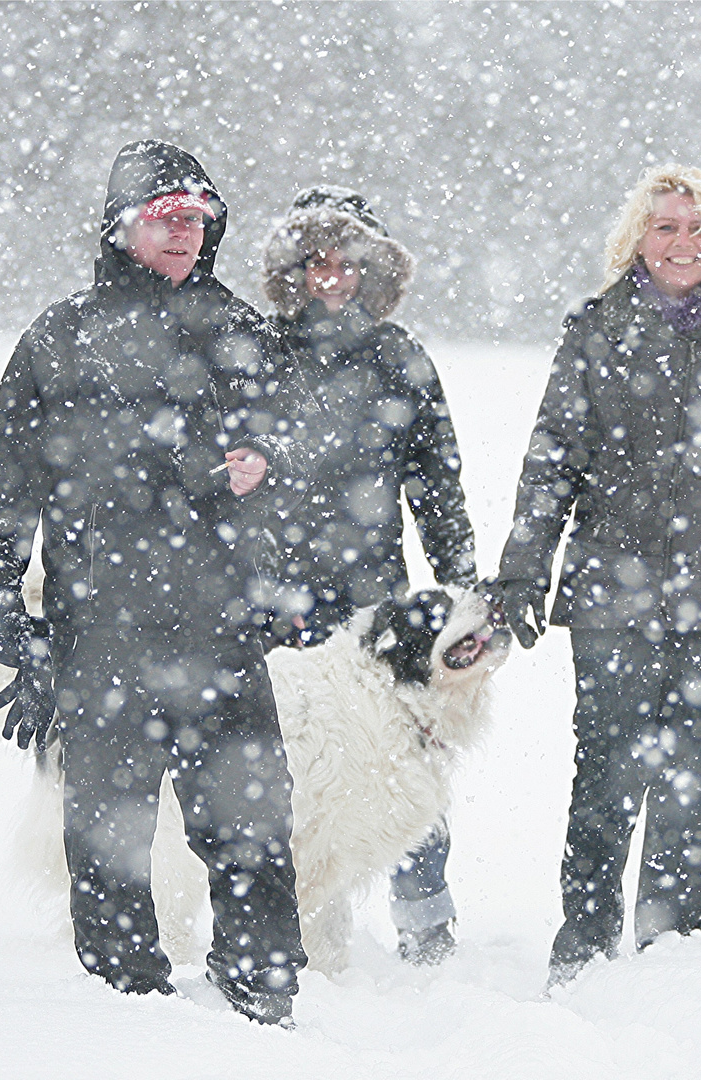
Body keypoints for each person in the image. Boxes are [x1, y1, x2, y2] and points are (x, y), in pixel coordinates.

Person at [0, 140, 318, 1026]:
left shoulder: (240, 332)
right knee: (109, 848)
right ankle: (129, 1024)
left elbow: (290, 461)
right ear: (122, 226)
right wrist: (7, 622)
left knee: (254, 834)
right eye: (166, 216)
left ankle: (266, 1009)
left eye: (197, 218)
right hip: (104, 636)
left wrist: (278, 538)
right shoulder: (62, 338)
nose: (185, 233)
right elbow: (7, 488)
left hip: (223, 634)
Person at [494, 165, 701, 990]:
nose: (683, 244)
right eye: (667, 227)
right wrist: (522, 574)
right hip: (614, 589)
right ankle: (584, 946)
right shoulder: (598, 329)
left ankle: (669, 955)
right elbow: (552, 460)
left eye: (698, 228)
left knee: (691, 773)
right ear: (638, 238)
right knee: (606, 769)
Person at [261, 186, 477, 964]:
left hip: (374, 609)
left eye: (347, 262)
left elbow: (438, 487)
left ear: (374, 270)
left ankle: (426, 919)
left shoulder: (400, 359)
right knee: (291, 768)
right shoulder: (258, 350)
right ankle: (300, 918)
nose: (331, 277)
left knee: (408, 754)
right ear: (292, 269)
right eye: (314, 261)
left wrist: (461, 587)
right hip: (274, 604)